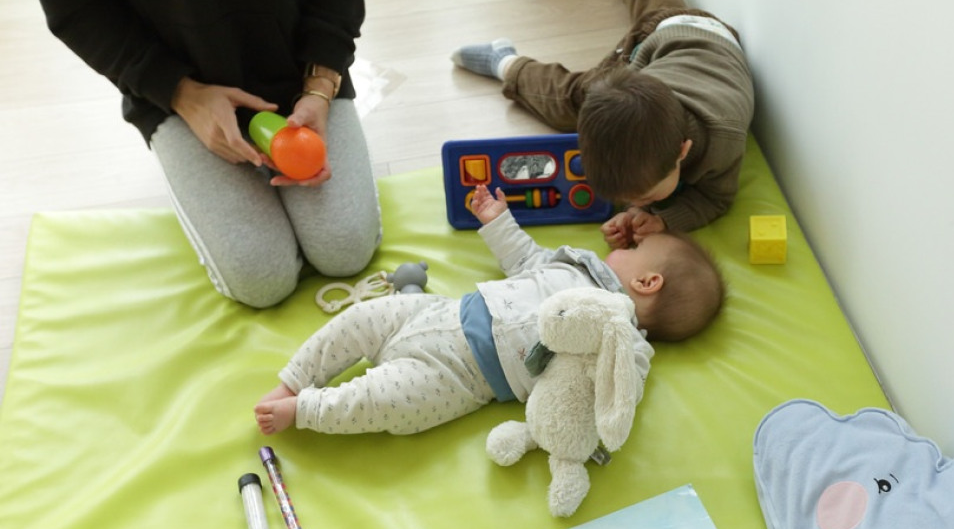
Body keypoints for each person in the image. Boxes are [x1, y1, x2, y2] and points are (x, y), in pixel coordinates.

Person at [254, 185, 725, 436]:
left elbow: (619, 391)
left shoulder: (623, 340)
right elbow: (525, 258)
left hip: (463, 377)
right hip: (441, 311)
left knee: (385, 403)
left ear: (647, 281)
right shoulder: (575, 264)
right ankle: (293, 378)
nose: (622, 245)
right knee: (360, 320)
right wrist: (497, 221)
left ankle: (307, 410)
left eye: (636, 247)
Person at [32, 0, 382, 308]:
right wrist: (180, 93)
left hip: (301, 64)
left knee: (345, 249)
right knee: (261, 279)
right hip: (178, 86)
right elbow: (76, 8)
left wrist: (321, 82)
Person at [451, 0, 754, 249]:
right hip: (660, 41)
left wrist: (663, 220)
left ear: (682, 151)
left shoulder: (722, 143)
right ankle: (506, 62)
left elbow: (716, 199)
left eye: (646, 198)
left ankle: (507, 61)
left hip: (712, 37)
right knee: (579, 98)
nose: (636, 206)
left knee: (659, 13)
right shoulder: (648, 90)